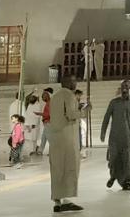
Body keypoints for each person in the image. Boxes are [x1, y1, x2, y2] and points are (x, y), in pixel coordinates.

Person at [45, 78, 84, 213]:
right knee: (69, 168)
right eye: (74, 81)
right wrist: (85, 111)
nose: (75, 83)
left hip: (55, 138)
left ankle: (57, 201)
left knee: (56, 169)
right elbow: (71, 115)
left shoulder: (54, 96)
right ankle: (66, 199)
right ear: (68, 83)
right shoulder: (69, 95)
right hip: (67, 137)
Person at [99, 83, 130, 190]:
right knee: (113, 159)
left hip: (128, 137)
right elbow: (106, 118)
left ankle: (127, 182)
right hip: (114, 137)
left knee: (127, 160)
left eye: (126, 87)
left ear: (129, 88)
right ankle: (113, 176)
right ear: (120, 89)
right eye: (123, 87)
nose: (125, 89)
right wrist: (103, 132)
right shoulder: (114, 103)